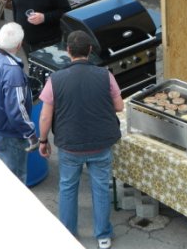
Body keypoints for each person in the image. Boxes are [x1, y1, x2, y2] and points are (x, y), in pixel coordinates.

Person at [38, 30, 124, 249]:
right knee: (101, 188)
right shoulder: (105, 75)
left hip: (70, 145)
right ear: (90, 50)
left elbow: (46, 115)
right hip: (100, 143)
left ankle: (68, 233)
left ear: (68, 51)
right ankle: (103, 235)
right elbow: (119, 106)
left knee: (67, 187)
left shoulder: (55, 80)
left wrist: (43, 140)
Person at [0, 22, 39, 183]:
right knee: (16, 179)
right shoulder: (13, 72)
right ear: (19, 45)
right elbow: (17, 109)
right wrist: (31, 135)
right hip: (10, 134)